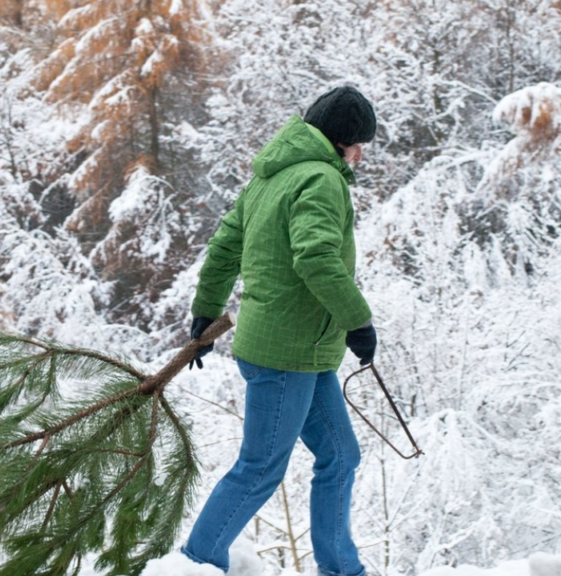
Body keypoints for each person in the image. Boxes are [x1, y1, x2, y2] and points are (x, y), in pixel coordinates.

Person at [182, 86, 378, 576]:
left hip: (299, 351)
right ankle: (193, 565)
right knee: (261, 468)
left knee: (340, 455)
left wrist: (206, 310)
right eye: (359, 144)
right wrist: (358, 320)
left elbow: (225, 246)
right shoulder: (320, 180)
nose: (360, 155)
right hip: (286, 353)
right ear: (342, 140)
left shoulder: (269, 179)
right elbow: (315, 257)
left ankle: (341, 569)